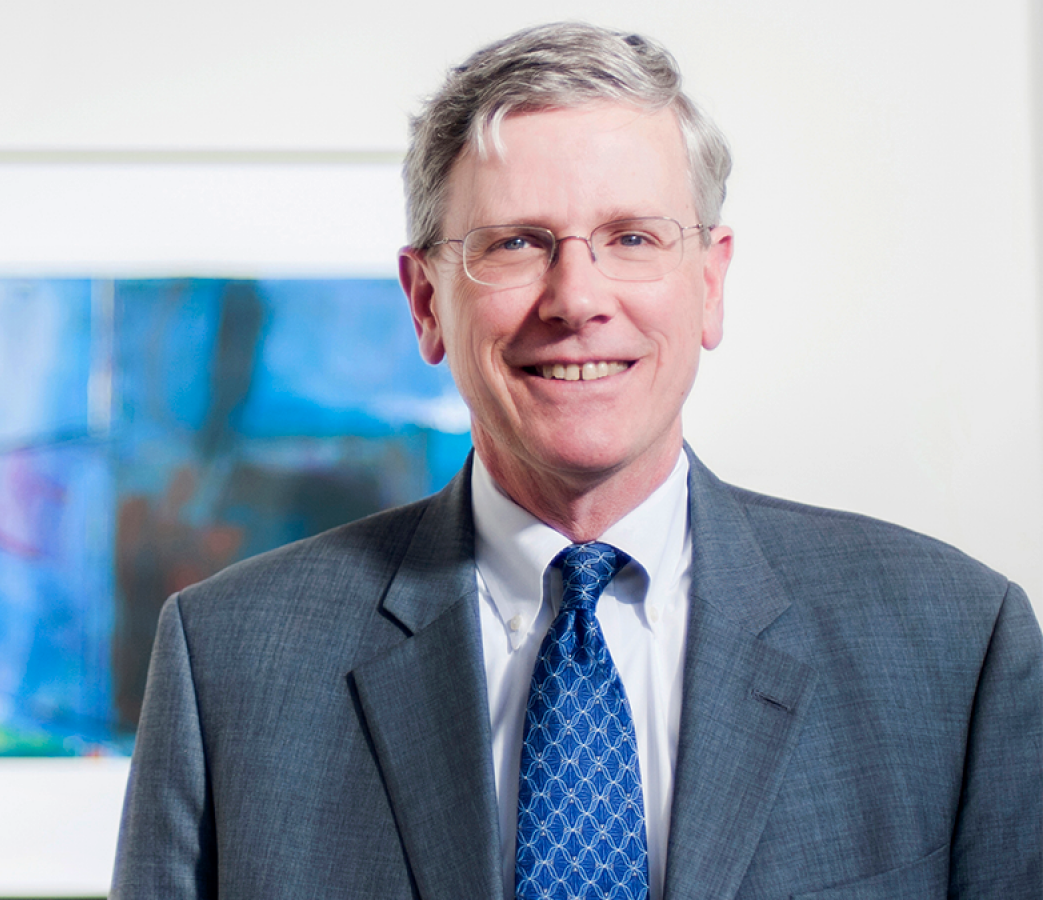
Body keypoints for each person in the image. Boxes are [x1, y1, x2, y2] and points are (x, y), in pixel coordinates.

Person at [110, 22, 1043, 899]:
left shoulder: (957, 644)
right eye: (517, 243)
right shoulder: (227, 662)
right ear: (426, 302)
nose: (577, 298)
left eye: (632, 238)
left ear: (710, 284)